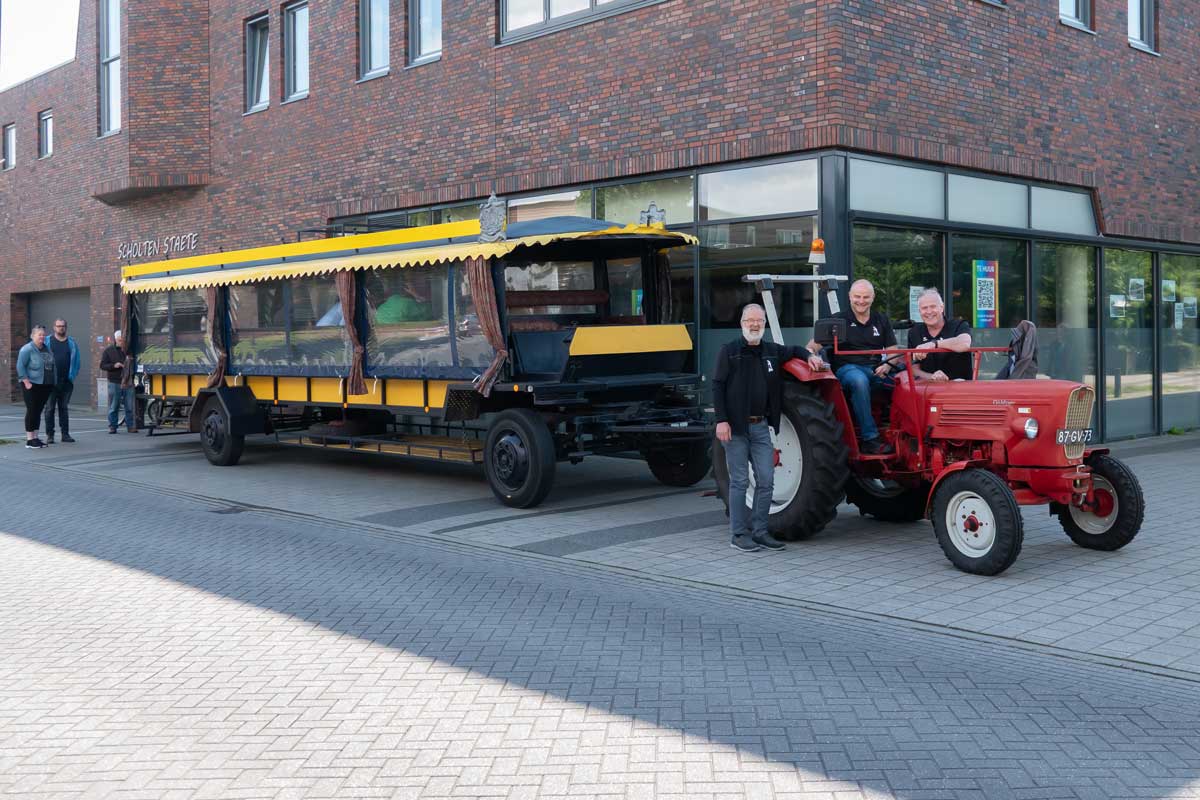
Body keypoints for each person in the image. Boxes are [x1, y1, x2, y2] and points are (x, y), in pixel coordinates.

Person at [713, 304, 820, 553]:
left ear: (764, 324)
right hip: (736, 428)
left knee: (767, 480)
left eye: (759, 321)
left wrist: (810, 356)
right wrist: (721, 421)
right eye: (750, 320)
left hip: (760, 426)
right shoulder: (729, 352)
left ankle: (760, 532)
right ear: (742, 323)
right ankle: (738, 534)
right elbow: (717, 386)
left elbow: (793, 350)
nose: (754, 325)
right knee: (739, 481)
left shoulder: (771, 351)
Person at [807, 279, 897, 454]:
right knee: (859, 381)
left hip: (877, 369)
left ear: (873, 297)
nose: (861, 301)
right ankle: (870, 439)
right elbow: (813, 345)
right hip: (848, 369)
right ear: (849, 297)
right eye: (857, 296)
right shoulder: (838, 320)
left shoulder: (881, 320)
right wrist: (810, 354)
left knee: (905, 383)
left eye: (866, 297)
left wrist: (887, 366)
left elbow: (893, 352)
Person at [908, 289, 972, 382]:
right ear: (919, 311)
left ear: (942, 308)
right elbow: (914, 369)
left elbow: (964, 343)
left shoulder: (959, 324)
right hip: (927, 389)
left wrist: (933, 344)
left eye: (933, 306)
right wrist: (932, 377)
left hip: (960, 388)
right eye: (924, 308)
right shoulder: (914, 332)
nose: (929, 311)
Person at [15, 325, 57, 449]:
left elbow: (52, 365)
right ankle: (29, 439)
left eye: (43, 334)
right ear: (32, 336)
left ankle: (36, 438)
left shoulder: (46, 348)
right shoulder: (27, 349)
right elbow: (20, 366)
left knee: (38, 411)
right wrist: (26, 382)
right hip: (32, 384)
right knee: (32, 410)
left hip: (46, 385)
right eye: (39, 334)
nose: (42, 337)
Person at [43, 318, 82, 443]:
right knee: (49, 408)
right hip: (50, 382)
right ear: (54, 327)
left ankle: (65, 434)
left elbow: (77, 361)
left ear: (66, 327)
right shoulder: (47, 341)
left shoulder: (71, 343)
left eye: (63, 326)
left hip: (66, 382)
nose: (61, 328)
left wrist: (72, 376)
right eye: (58, 326)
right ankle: (50, 435)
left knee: (63, 408)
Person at [100, 330, 137, 434]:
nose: (121, 342)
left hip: (128, 381)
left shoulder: (128, 350)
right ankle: (113, 426)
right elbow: (102, 365)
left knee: (129, 405)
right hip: (114, 381)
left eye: (123, 340)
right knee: (114, 405)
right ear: (115, 340)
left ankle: (130, 426)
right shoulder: (108, 350)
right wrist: (114, 365)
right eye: (120, 340)